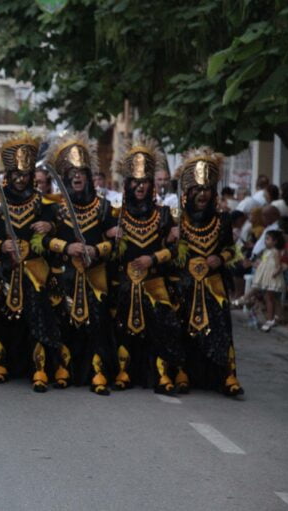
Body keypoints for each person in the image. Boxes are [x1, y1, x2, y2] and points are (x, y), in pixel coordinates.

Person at [0, 130, 59, 390]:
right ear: (8, 174)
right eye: (16, 174)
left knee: (36, 317)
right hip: (2, 268)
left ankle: (38, 368)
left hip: (34, 268)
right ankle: (0, 364)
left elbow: (58, 224)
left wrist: (48, 225)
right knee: (1, 318)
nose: (20, 179)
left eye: (24, 175)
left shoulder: (43, 201)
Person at [42, 131, 116, 395]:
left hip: (94, 275)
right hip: (65, 276)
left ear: (88, 177)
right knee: (64, 323)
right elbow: (43, 241)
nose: (76, 176)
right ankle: (63, 369)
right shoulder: (53, 207)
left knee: (96, 324)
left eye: (81, 172)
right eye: (71, 172)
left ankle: (97, 372)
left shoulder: (104, 207)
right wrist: (66, 246)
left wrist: (98, 249)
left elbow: (117, 243)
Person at [108, 137, 182, 394]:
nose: (140, 187)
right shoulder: (117, 214)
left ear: (152, 185)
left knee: (162, 327)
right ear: (128, 184)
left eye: (144, 182)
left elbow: (177, 251)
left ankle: (162, 375)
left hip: (154, 281)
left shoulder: (163, 215)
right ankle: (123, 372)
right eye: (135, 182)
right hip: (125, 281)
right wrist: (110, 239)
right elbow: (107, 252)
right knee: (122, 328)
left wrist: (154, 258)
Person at [172, 147, 243, 397]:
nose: (202, 194)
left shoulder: (223, 220)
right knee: (184, 327)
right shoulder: (178, 220)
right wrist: (173, 241)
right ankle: (182, 373)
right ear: (189, 192)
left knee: (220, 327)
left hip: (214, 283)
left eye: (206, 190)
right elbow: (169, 255)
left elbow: (231, 251)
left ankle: (227, 375)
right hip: (185, 283)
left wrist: (219, 258)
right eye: (197, 190)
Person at [240, 230, 285, 332]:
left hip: (271, 279)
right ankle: (272, 318)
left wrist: (276, 272)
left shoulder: (275, 252)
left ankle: (270, 319)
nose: (265, 241)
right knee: (268, 298)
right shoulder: (266, 251)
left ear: (275, 241)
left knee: (269, 298)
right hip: (263, 278)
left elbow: (278, 265)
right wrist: (252, 264)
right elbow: (262, 263)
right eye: (265, 239)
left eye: (268, 239)